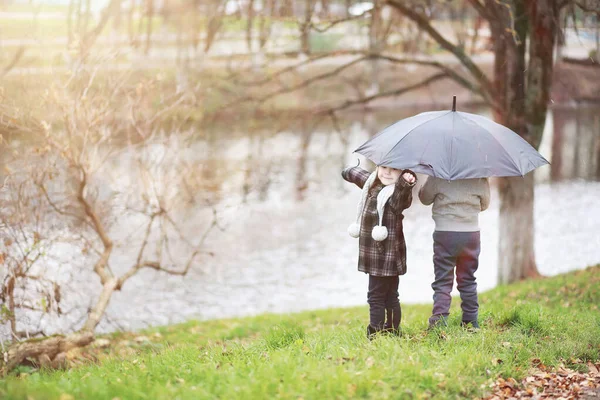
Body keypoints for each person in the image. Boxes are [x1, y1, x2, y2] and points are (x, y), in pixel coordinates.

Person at [342, 163, 416, 338]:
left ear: (402, 172)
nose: (388, 172)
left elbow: (402, 198)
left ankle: (377, 333)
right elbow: (357, 175)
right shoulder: (372, 182)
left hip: (387, 256)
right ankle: (390, 331)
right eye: (383, 167)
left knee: (380, 297)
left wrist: (406, 182)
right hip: (375, 255)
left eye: (394, 169)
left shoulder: (396, 194)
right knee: (385, 295)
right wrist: (347, 171)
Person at [418, 176, 490, 330]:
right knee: (468, 279)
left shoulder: (438, 175)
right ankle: (471, 321)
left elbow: (424, 199)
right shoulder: (480, 177)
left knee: (443, 280)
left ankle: (439, 321)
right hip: (470, 234)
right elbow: (485, 204)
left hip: (445, 234)